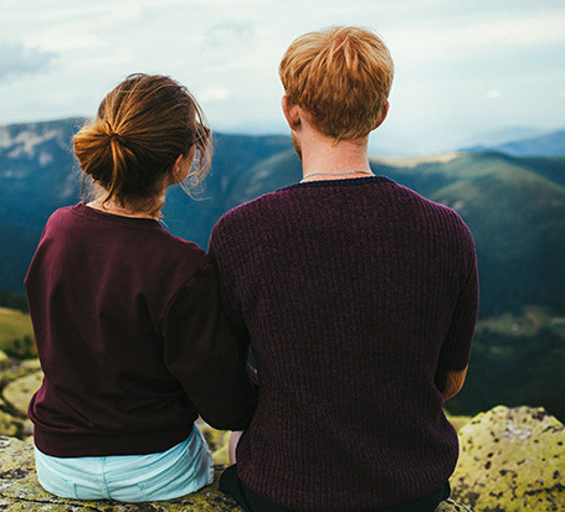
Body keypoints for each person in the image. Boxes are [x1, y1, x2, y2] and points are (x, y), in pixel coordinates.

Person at [211, 27, 479, 512]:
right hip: (412, 490)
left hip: (283, 489)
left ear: (291, 109)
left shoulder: (240, 232)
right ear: (380, 113)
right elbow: (450, 380)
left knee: (235, 444)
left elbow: (226, 377)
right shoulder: (447, 231)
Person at [24, 73, 256, 503]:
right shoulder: (183, 267)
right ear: (181, 163)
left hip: (59, 463)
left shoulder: (57, 231)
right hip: (156, 468)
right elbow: (227, 409)